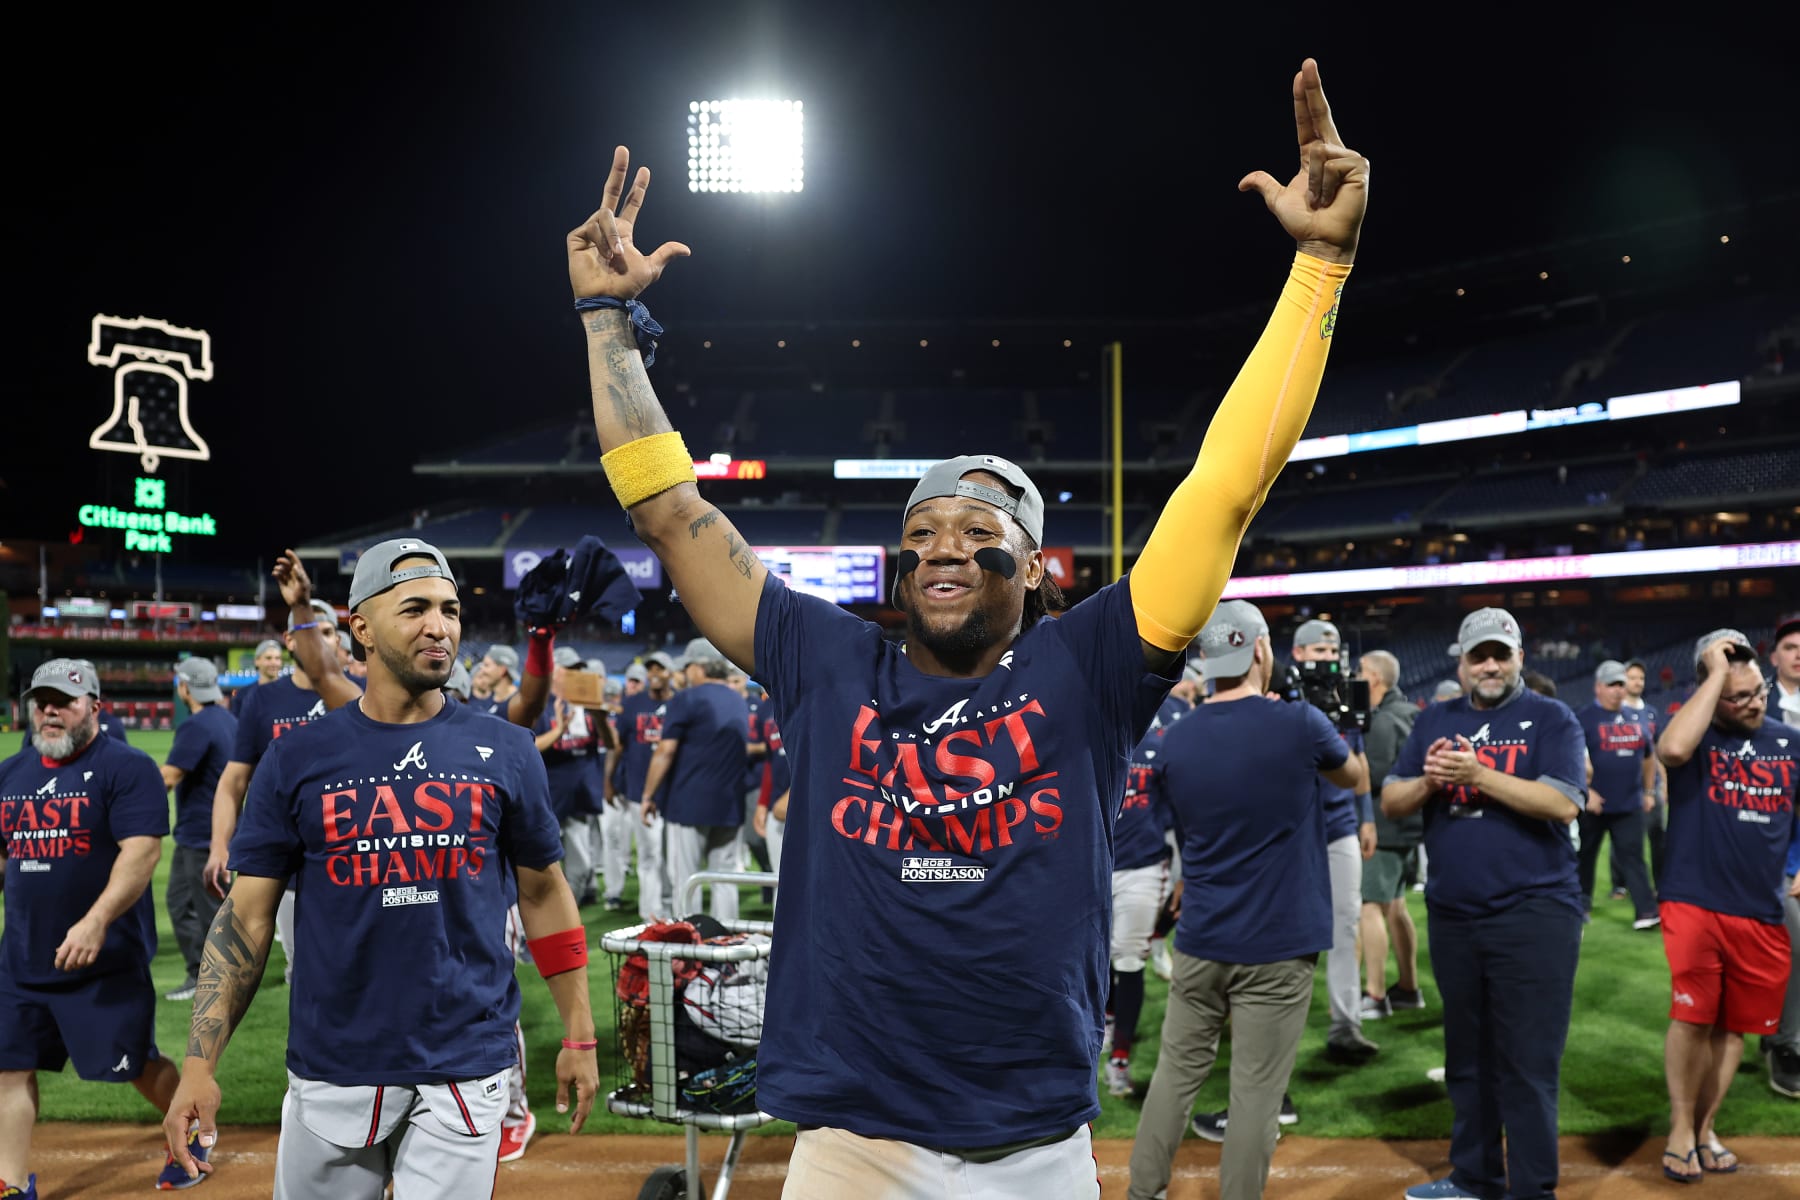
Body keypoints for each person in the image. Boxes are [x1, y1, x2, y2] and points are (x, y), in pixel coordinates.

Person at [568, 54, 1365, 1194]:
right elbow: (669, 509)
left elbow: (1225, 487)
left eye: (979, 526)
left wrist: (1318, 268)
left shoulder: (1091, 666)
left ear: (1038, 572)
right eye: (924, 525)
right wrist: (605, 320)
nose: (944, 542)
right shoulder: (823, 657)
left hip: (1033, 1151)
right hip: (851, 1146)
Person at [159, 538, 599, 1194]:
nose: (439, 626)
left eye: (450, 610)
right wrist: (198, 1065)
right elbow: (246, 921)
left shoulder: (506, 749)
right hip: (335, 1064)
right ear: (360, 627)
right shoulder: (298, 757)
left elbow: (543, 891)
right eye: (415, 608)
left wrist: (580, 1032)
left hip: (468, 1062)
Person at [1128, 602, 1359, 1200]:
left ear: (1207, 660)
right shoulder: (1301, 722)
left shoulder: (1175, 743)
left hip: (1203, 938)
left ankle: (1142, 1192)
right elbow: (1353, 777)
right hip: (1279, 944)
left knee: (1175, 1077)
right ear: (1260, 651)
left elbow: (1172, 825)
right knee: (1255, 1093)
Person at [1382, 608, 1586, 1200]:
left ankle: (1531, 1190)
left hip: (1535, 913)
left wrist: (1479, 772)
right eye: (1478, 656)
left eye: (1500, 653)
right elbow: (1392, 800)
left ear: (1521, 657)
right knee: (1467, 1059)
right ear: (1462, 663)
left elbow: (1562, 803)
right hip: (1454, 914)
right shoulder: (1434, 719)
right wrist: (1429, 782)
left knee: (1526, 1063)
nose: (1490, 665)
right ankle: (1474, 1177)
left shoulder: (1551, 717)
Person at [0, 660, 210, 1196]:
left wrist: (95, 922)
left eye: (63, 701)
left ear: (95, 707)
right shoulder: (11, 774)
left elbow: (141, 852)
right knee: (8, 1067)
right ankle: (9, 1181)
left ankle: (196, 1135)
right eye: (40, 701)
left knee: (136, 1065)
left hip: (103, 962)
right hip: (22, 959)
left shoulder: (127, 767)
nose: (48, 711)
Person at [1652, 629, 1800, 1181]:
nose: (1754, 702)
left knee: (1733, 1030)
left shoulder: (1789, 741)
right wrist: (1716, 677)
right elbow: (1669, 750)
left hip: (1760, 910)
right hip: (1695, 900)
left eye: (1758, 690)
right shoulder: (1696, 737)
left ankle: (1707, 1126)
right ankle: (1680, 1128)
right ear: (1713, 694)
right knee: (1692, 1018)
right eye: (1737, 696)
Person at [205, 595, 348, 986]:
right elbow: (234, 779)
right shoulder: (261, 699)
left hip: (355, 852)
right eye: (310, 632)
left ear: (340, 641)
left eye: (329, 632)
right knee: (302, 971)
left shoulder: (363, 693)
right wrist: (220, 844)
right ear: (289, 640)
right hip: (288, 859)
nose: (321, 641)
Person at [1289, 619, 1378, 1061]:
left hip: (1340, 822)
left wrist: (1367, 818)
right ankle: (1279, 1021)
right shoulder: (1282, 691)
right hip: (1292, 827)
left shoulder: (1350, 695)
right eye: (1318, 652)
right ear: (1299, 653)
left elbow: (1359, 760)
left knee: (1345, 924)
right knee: (1291, 930)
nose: (1326, 659)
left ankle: (1346, 1025)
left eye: (1332, 652)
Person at [1102, 690, 1183, 1098]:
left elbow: (1178, 811)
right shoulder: (1093, 736)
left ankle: (1119, 1059)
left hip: (1144, 867)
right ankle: (1108, 1019)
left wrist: (1183, 867)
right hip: (1095, 865)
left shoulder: (1160, 744)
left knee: (1129, 958)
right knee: (1096, 957)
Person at [640, 638, 749, 921]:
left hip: (688, 804)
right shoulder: (738, 699)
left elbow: (665, 750)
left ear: (700, 667)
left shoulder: (687, 698)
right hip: (729, 804)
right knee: (724, 882)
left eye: (688, 667)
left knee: (686, 883)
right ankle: (726, 954)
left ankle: (689, 954)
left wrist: (648, 795)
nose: (686, 673)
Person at [160, 659, 238, 1002]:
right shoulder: (227, 719)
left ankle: (210, 982)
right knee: (189, 904)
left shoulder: (196, 726)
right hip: (217, 830)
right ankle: (212, 976)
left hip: (201, 835)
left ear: (184, 688)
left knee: (203, 910)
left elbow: (169, 777)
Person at [1357, 648, 1424, 1018]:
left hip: (1382, 827)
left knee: (1369, 908)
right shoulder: (1409, 712)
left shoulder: (1383, 720)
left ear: (1375, 679)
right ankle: (1409, 988)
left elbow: (1374, 774)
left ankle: (1375, 995)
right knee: (1396, 908)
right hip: (1408, 826)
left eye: (1361, 671)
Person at [1574, 661, 1659, 928]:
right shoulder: (1583, 718)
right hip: (1594, 804)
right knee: (1585, 855)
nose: (1617, 690)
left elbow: (1649, 757)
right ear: (1598, 687)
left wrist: (1648, 790)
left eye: (1621, 684)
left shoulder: (1637, 718)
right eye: (1612, 684)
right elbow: (1568, 759)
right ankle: (1579, 905)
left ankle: (1646, 912)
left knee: (1633, 856)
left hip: (1629, 803)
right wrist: (1585, 792)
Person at [535, 648, 608, 907]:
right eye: (569, 670)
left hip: (579, 797)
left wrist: (600, 715)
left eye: (578, 670)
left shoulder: (588, 706)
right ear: (555, 672)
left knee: (581, 864)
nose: (575, 675)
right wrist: (559, 730)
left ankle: (568, 915)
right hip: (546, 799)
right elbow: (529, 747)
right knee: (543, 866)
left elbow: (611, 742)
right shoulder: (539, 704)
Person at [612, 653, 673, 918]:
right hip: (639, 790)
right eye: (651, 669)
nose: (654, 673)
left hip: (673, 793)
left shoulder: (682, 703)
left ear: (671, 672)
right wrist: (609, 780)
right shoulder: (633, 703)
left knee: (672, 858)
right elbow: (618, 745)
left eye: (661, 668)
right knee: (649, 856)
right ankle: (650, 915)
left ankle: (672, 910)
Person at [1767, 613, 1800, 1099]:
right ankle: (1786, 1044)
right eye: (1790, 646)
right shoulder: (1749, 703)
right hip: (1757, 852)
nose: (1798, 653)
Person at [1618, 657, 1669, 892]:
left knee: (1657, 836)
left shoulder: (1651, 713)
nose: (1637, 682)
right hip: (1625, 786)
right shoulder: (1615, 711)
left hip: (1652, 785)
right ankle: (1621, 884)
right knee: (1625, 837)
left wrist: (1665, 783)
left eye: (1641, 678)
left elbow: (1659, 751)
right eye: (1632, 677)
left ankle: (1660, 883)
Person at [232, 640, 285, 716]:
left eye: (277, 658)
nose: (274, 662)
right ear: (257, 661)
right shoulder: (243, 695)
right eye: (268, 658)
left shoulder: (290, 692)